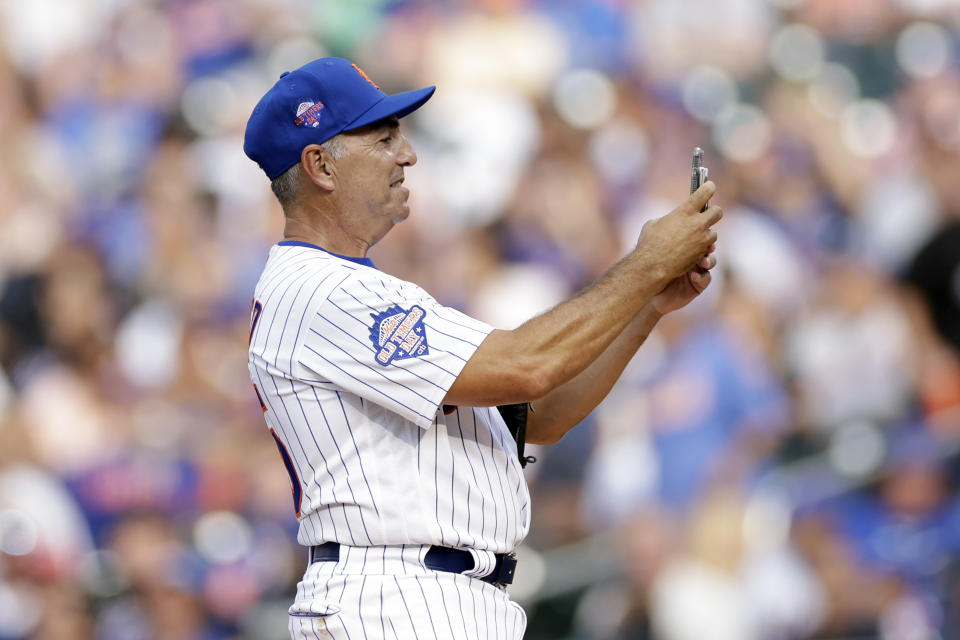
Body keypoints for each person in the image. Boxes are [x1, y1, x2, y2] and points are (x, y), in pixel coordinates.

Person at [242, 57, 721, 640]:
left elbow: (541, 414)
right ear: (320, 164)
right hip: (394, 600)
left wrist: (648, 302)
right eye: (383, 137)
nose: (407, 154)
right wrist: (643, 263)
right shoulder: (320, 290)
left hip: (437, 599)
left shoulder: (355, 287)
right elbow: (527, 366)